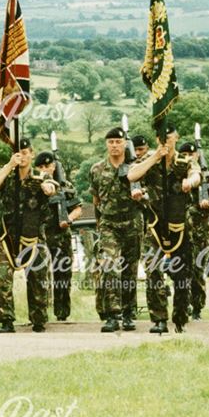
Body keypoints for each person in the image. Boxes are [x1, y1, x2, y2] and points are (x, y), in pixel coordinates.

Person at [127, 126, 201, 334]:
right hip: (155, 224)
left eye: (169, 138)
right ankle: (158, 318)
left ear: (176, 138)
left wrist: (190, 181)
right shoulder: (151, 160)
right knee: (153, 270)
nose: (166, 142)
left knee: (182, 274)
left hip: (179, 225)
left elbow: (196, 174)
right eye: (162, 139)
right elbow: (132, 175)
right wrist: (154, 158)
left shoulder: (183, 161)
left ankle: (180, 319)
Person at [0, 139, 55, 333]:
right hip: (8, 236)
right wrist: (9, 165)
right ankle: (6, 321)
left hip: (33, 237)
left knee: (37, 281)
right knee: (3, 279)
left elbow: (50, 186)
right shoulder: (7, 176)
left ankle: (39, 320)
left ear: (32, 154)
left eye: (25, 153)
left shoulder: (40, 177)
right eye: (18, 153)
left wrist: (48, 188)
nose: (22, 157)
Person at [89, 127, 144, 332]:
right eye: (110, 142)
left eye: (118, 142)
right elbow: (95, 199)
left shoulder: (136, 167)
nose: (114, 145)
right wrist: (99, 223)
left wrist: (141, 195)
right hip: (109, 224)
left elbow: (147, 193)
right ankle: (113, 315)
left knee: (130, 270)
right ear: (106, 144)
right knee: (110, 267)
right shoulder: (97, 169)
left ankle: (129, 313)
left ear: (124, 144)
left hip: (132, 223)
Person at [33, 150, 82, 322]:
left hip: (61, 236)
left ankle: (62, 315)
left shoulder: (65, 185)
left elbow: (77, 207)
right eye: (41, 166)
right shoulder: (34, 185)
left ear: (54, 166)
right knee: (40, 277)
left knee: (63, 276)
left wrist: (68, 219)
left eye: (48, 165)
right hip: (41, 237)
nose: (45, 169)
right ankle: (41, 315)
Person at [180, 142, 209, 320]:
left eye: (192, 154)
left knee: (197, 271)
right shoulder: (177, 177)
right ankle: (183, 305)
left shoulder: (208, 178)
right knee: (182, 270)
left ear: (197, 155)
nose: (189, 158)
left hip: (200, 232)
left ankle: (197, 307)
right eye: (185, 155)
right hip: (180, 231)